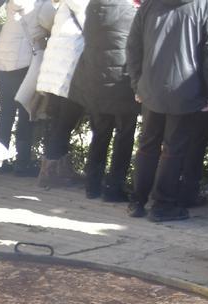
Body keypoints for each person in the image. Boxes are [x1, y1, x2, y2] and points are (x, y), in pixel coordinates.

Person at [125, 0, 208, 222]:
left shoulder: (150, 4)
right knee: (174, 149)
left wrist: (137, 82)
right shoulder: (207, 6)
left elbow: (133, 46)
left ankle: (138, 201)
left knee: (148, 144)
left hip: (152, 88)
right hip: (185, 91)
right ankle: (162, 205)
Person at [68, 0, 140, 201]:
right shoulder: (131, 13)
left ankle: (92, 185)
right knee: (124, 136)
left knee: (99, 134)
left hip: (96, 81)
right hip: (122, 84)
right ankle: (114, 188)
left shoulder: (93, 7)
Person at [34, 0, 88, 188]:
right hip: (70, 72)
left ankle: (58, 170)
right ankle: (49, 173)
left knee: (59, 121)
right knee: (65, 123)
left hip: (55, 71)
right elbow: (93, 27)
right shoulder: (83, 4)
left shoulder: (65, 5)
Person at [0, 0, 44, 176]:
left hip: (2, 61)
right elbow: (48, 24)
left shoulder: (13, 3)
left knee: (6, 112)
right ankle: (22, 163)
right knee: (26, 112)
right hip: (24, 62)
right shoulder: (40, 4)